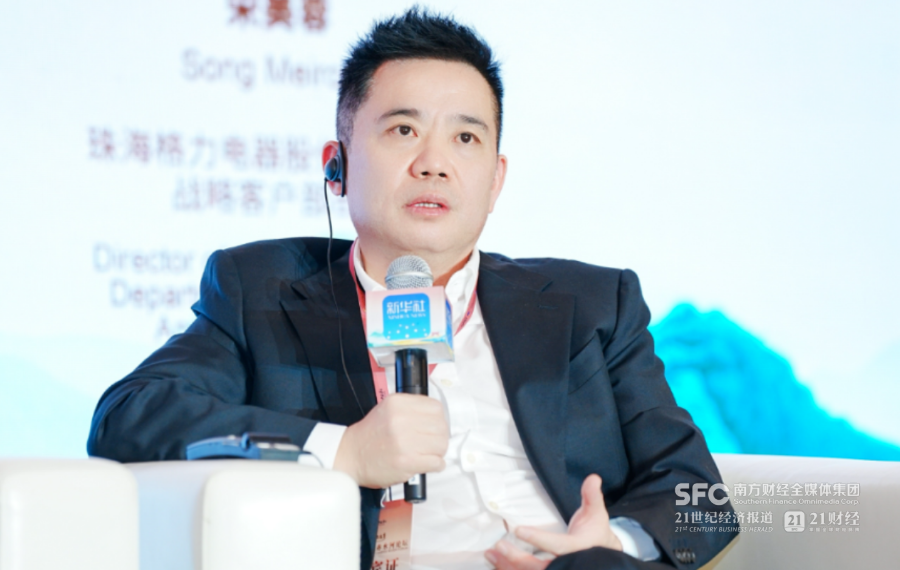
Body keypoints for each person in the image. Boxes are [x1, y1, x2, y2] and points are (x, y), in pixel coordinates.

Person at [88, 8, 737, 570]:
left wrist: (612, 542)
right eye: (404, 130)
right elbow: (130, 417)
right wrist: (345, 451)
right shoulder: (262, 292)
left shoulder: (591, 305)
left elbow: (698, 496)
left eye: (465, 137)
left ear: (495, 180)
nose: (434, 162)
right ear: (337, 165)